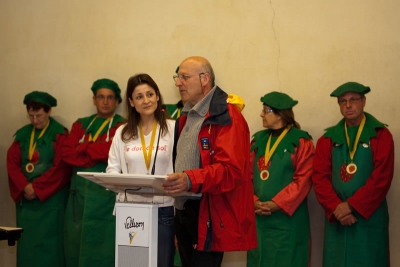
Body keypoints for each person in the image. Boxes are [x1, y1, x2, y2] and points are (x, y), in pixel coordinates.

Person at [162, 56, 257, 267]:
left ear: (205, 79)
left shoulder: (226, 115)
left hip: (208, 212)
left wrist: (189, 179)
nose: (178, 83)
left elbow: (231, 170)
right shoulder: (185, 117)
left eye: (184, 77)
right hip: (184, 211)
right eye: (177, 78)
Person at [312, 82, 394, 267]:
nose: (348, 105)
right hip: (337, 217)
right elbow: (319, 177)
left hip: (368, 217)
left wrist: (352, 206)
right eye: (342, 101)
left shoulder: (381, 135)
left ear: (363, 101)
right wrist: (337, 207)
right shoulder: (327, 139)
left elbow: (382, 178)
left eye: (353, 100)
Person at [106, 73, 175, 267]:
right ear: (131, 102)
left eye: (150, 94)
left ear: (157, 96)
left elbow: (182, 169)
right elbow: (112, 169)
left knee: (162, 263)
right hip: (131, 209)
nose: (146, 101)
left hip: (164, 208)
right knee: (133, 264)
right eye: (139, 97)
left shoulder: (173, 129)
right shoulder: (122, 132)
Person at [62, 78, 125, 267]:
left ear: (117, 101)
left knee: (103, 244)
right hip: (78, 197)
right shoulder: (80, 124)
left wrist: (83, 148)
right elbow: (66, 153)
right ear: (94, 100)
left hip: (104, 199)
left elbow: (110, 152)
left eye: (110, 97)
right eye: (101, 97)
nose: (105, 101)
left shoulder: (122, 126)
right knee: (75, 243)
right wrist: (95, 153)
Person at [246, 92, 314, 267]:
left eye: (266, 110)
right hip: (259, 219)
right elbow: (246, 177)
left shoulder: (301, 141)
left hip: (288, 222)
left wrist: (278, 203)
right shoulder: (258, 140)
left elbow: (304, 179)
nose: (261, 114)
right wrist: (253, 201)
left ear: (280, 114)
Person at [7, 91, 71, 267]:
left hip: (51, 203)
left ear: (48, 112)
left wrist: (38, 188)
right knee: (27, 245)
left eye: (39, 116)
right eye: (31, 116)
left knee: (51, 248)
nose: (35, 121)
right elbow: (12, 164)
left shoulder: (60, 135)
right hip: (27, 204)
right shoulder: (22, 136)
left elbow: (62, 168)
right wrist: (24, 186)